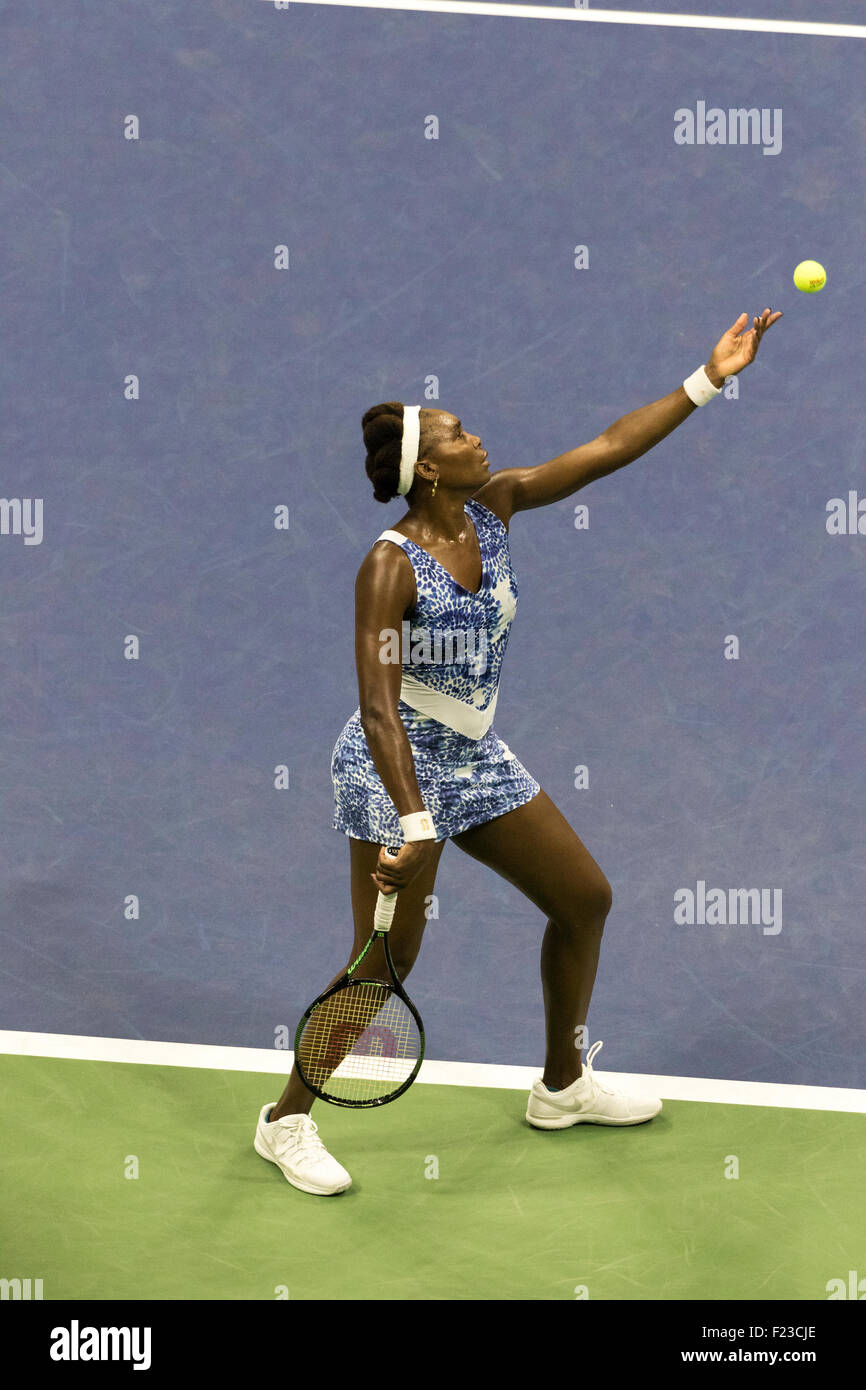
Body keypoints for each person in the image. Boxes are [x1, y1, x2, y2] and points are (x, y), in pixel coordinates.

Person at [255, 309, 782, 1195]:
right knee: (384, 962)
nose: (479, 439)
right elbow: (378, 709)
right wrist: (413, 819)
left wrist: (709, 376)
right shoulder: (388, 567)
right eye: (461, 434)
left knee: (583, 898)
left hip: (474, 755)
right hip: (395, 771)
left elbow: (609, 448)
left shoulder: (493, 509)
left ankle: (563, 1084)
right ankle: (285, 1121)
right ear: (428, 466)